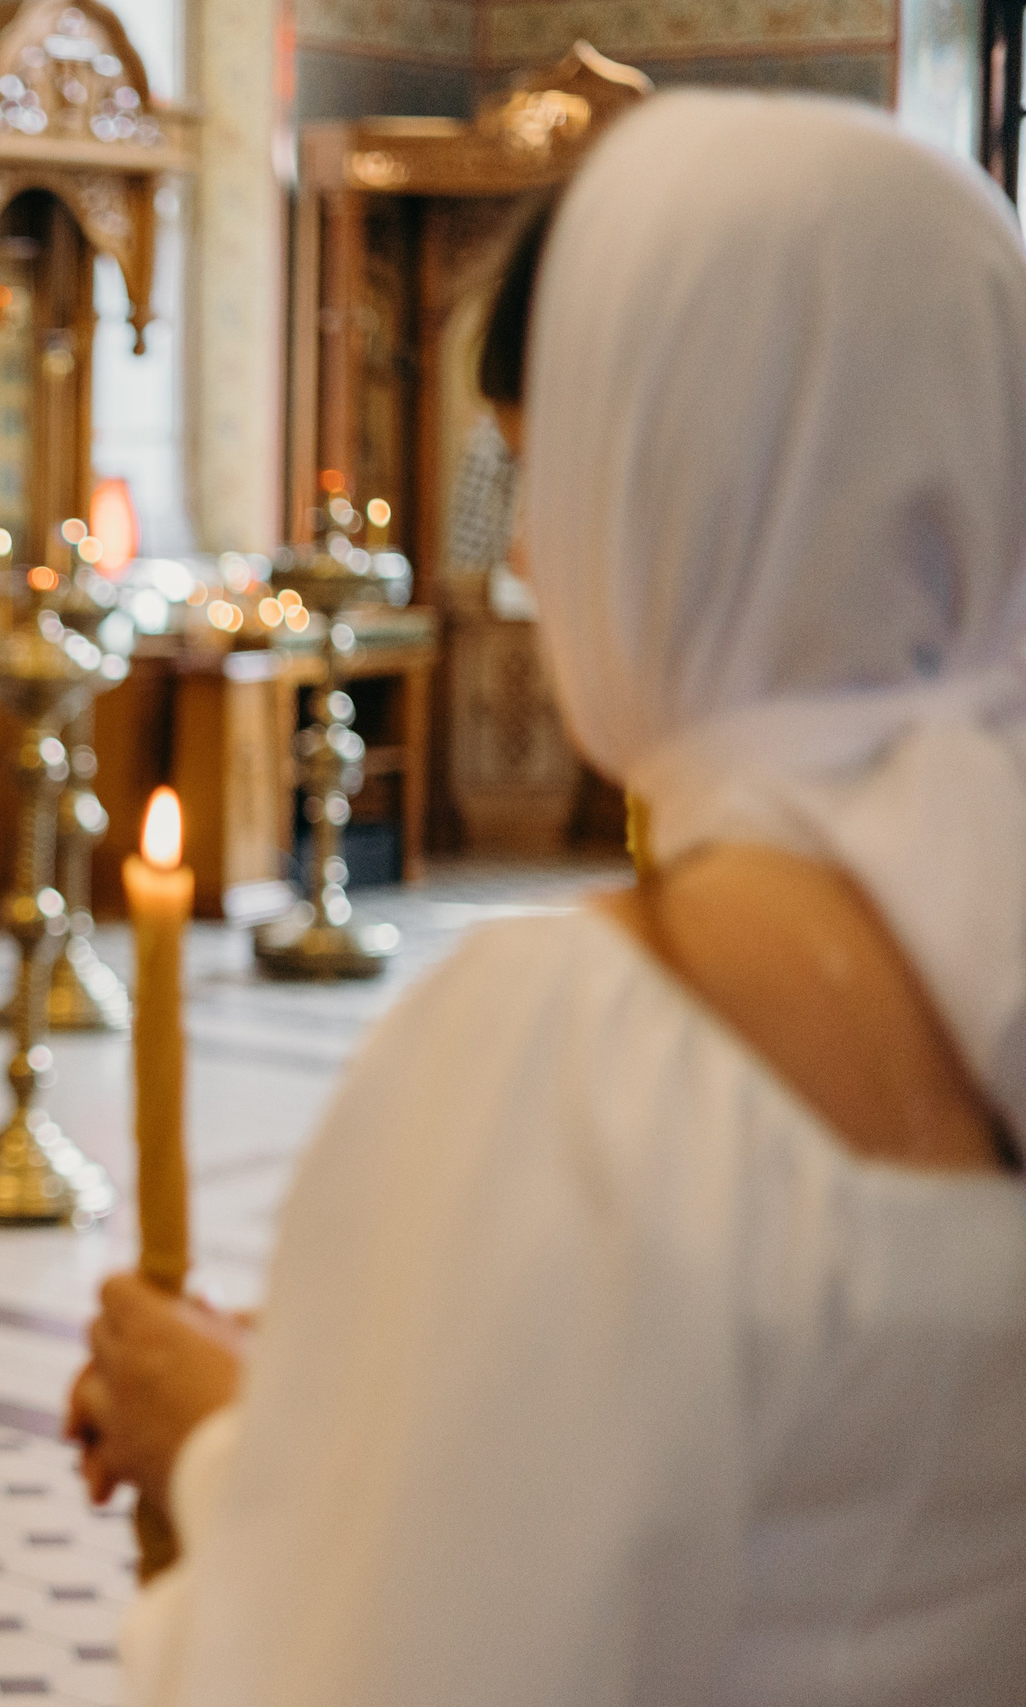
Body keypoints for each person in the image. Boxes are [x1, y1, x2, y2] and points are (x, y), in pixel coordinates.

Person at [72, 91, 1026, 1704]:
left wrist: (218, 1448)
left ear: (675, 489)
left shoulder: (590, 1053)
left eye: (541, 476)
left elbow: (387, 1666)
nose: (527, 565)